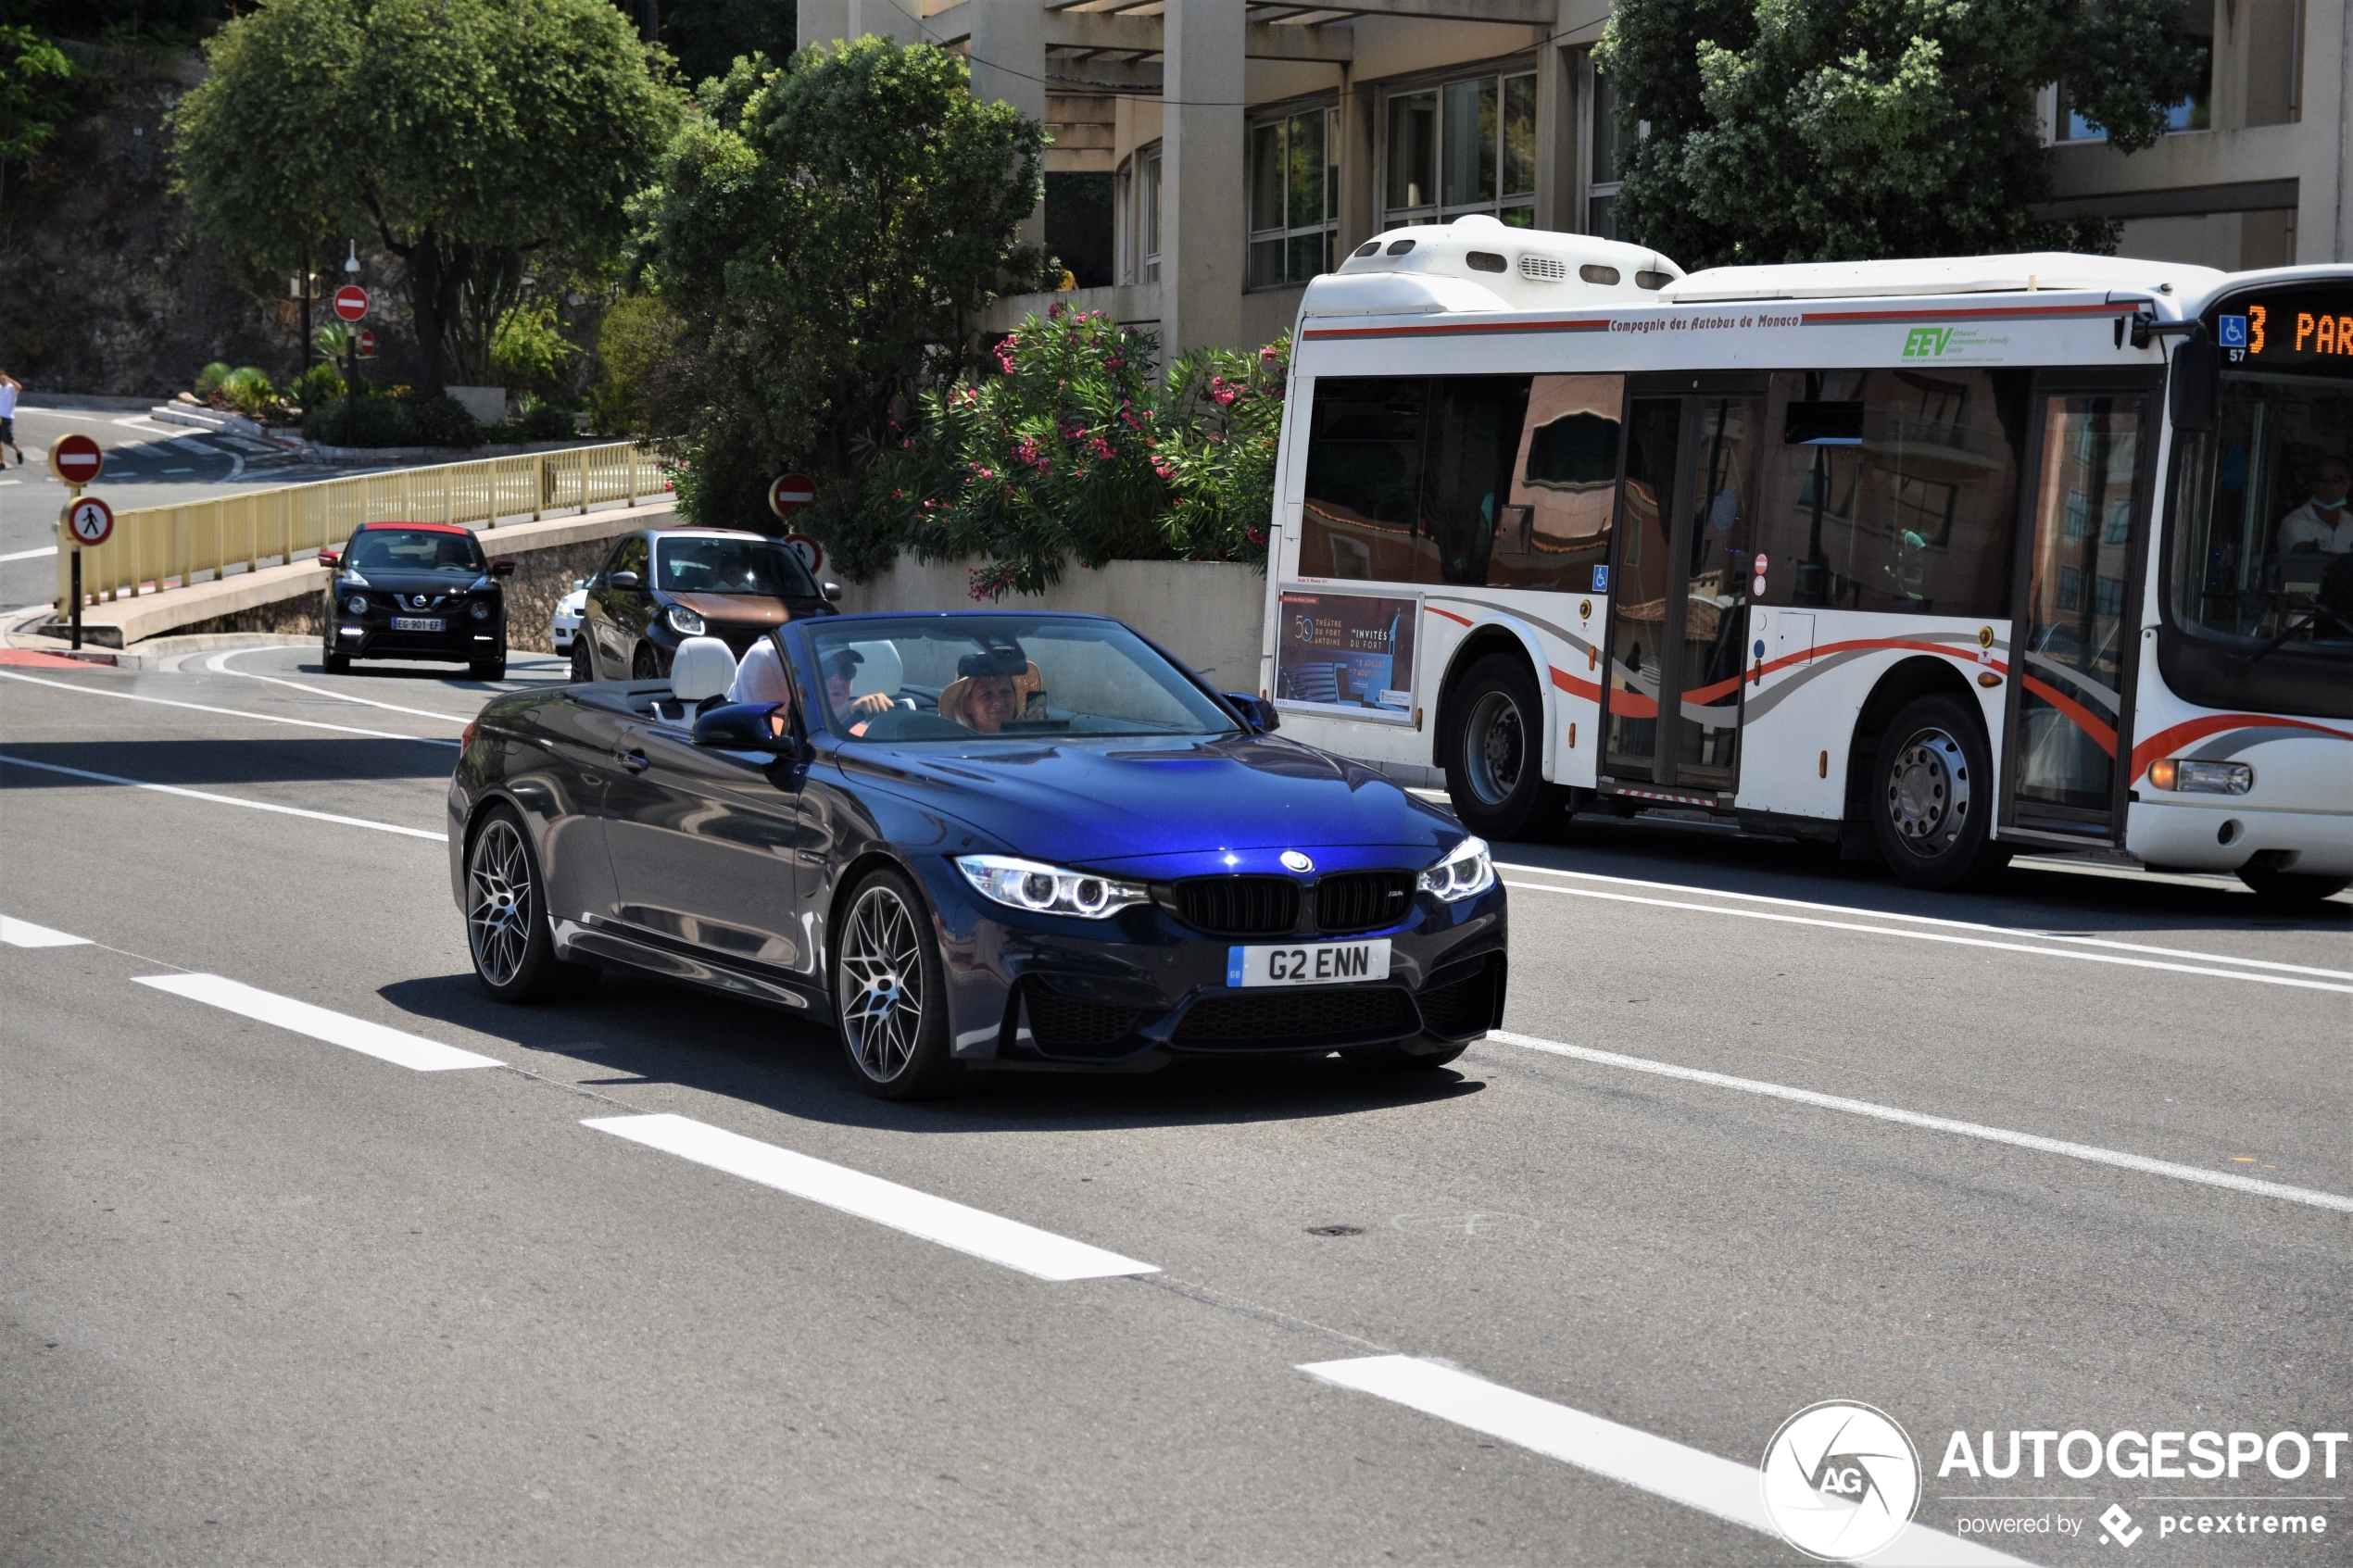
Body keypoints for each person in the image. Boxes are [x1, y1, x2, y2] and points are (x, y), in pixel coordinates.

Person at [2278, 456, 2353, 555]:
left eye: (2336, 480)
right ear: (2313, 484)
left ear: (2347, 485)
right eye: (2322, 479)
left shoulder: (2350, 522)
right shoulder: (2295, 521)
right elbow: (2306, 558)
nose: (2328, 486)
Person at [821, 646, 893, 736]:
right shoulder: (798, 727)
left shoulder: (870, 732)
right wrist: (846, 711)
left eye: (848, 670)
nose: (839, 681)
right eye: (827, 670)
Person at [0, 370, 22, 466]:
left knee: (8, 440)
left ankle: (18, 451)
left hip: (7, 417)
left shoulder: (11, 388)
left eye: (2, 378)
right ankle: (2, 462)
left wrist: (8, 379)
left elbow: (19, 387)